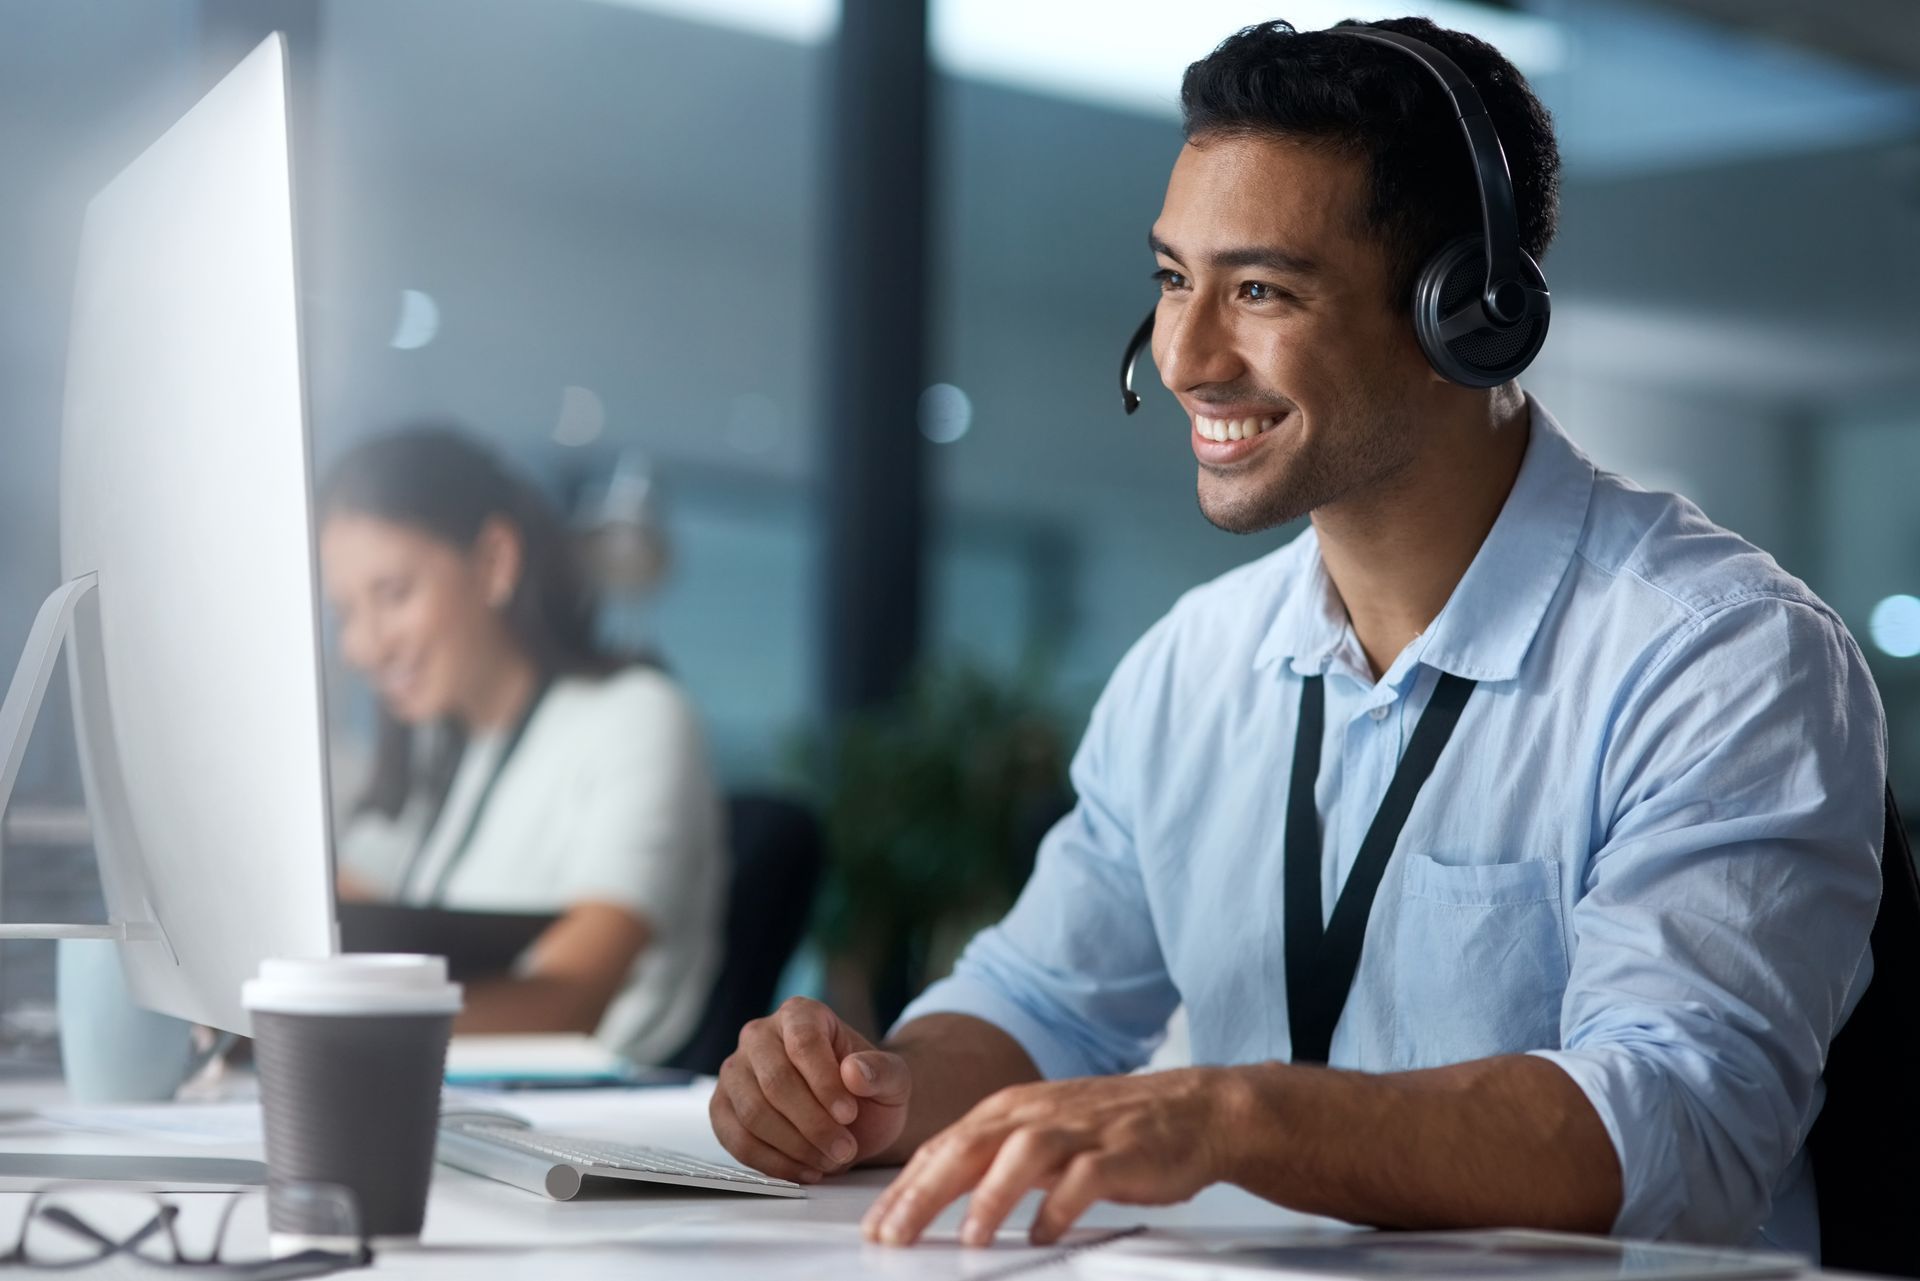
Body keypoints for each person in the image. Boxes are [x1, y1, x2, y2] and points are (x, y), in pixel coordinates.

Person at [708, 15, 1885, 1259]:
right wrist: (865, 1096)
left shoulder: (1719, 657)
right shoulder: (1195, 663)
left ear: (1466, 315)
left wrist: (1235, 1115)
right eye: (1173, 280)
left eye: (1260, 289)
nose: (1185, 357)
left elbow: (1677, 1130)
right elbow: (1039, 1005)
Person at [320, 427, 726, 1066]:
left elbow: (571, 1001)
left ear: (494, 563)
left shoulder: (637, 718)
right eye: (345, 611)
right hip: (445, 1104)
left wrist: (337, 1039)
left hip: (587, 1125)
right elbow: (337, 925)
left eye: (394, 594)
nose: (362, 647)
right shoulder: (440, 742)